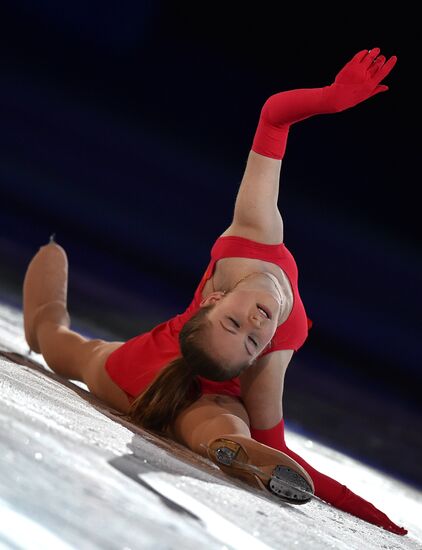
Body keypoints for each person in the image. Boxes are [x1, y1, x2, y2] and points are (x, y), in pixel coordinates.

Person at [22, 47, 407, 535]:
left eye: (236, 323)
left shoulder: (252, 235)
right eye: (250, 338)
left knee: (73, 350)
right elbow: (281, 450)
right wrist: (377, 519)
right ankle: (224, 444)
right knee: (221, 414)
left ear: (214, 299)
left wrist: (330, 98)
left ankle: (44, 326)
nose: (256, 325)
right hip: (161, 374)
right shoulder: (272, 349)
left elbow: (273, 119)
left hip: (139, 369)